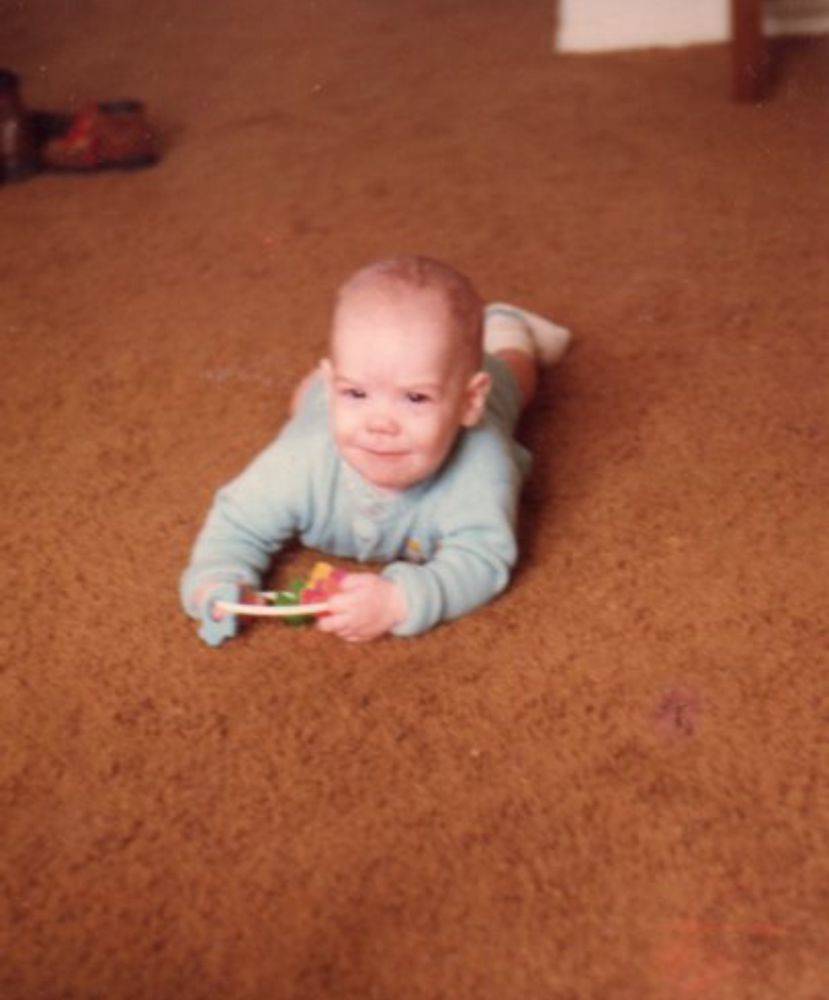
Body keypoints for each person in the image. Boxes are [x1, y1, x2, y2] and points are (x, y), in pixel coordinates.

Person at [180, 255, 570, 643]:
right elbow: (236, 525)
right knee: (306, 403)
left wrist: (401, 601)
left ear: (469, 402)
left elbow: (482, 559)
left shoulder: (481, 468)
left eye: (415, 398)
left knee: (518, 379)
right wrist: (217, 581)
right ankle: (332, 388)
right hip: (319, 410)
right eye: (355, 393)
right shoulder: (297, 463)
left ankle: (507, 326)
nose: (380, 423)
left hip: (489, 389)